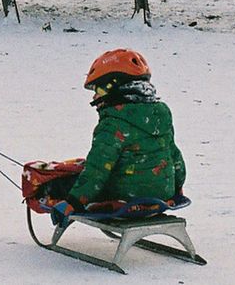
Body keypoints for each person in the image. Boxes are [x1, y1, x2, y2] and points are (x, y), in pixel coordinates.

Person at [51, 49, 186, 218]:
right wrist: (176, 186)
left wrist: (73, 202)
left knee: (65, 182)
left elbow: (97, 169)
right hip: (163, 194)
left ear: (115, 88)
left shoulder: (113, 124)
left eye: (99, 91)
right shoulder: (162, 114)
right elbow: (174, 154)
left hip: (126, 198)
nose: (94, 97)